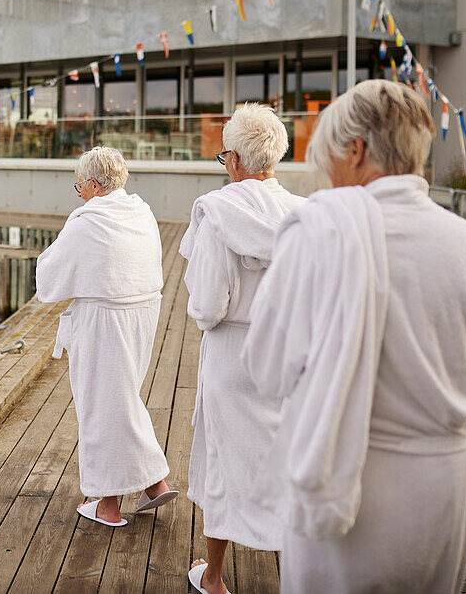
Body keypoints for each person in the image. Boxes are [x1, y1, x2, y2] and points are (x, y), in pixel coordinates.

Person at [242, 80, 466, 593]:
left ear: (357, 150)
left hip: (349, 480)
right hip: (444, 486)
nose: (327, 177)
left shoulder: (319, 233)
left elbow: (269, 370)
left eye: (327, 160)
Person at [181, 104, 305, 594]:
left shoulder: (218, 214)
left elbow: (208, 306)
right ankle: (298, 573)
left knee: (222, 463)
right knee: (288, 460)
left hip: (235, 354)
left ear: (233, 158)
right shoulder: (302, 214)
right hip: (288, 353)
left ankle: (213, 578)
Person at [35, 146, 176, 527]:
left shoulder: (88, 220)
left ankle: (108, 505)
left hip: (105, 321)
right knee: (122, 400)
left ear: (94, 185)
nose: (78, 192)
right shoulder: (140, 212)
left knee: (102, 407)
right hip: (143, 314)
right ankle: (154, 484)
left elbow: (48, 278)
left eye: (78, 185)